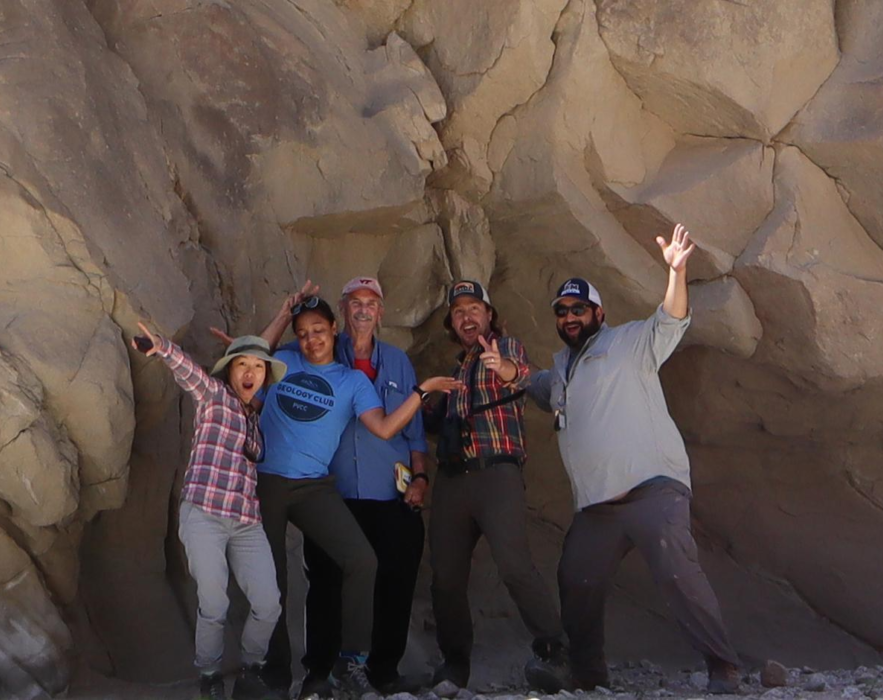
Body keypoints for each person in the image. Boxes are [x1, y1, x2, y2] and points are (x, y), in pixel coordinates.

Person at [526, 224, 743, 695]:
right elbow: (544, 390)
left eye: (578, 308)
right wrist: (514, 374)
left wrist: (677, 272)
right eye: (562, 311)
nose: (569, 316)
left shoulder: (628, 343)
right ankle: (588, 674)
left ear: (598, 313)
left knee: (676, 570)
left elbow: (670, 319)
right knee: (575, 577)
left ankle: (724, 667)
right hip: (597, 509)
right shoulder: (561, 367)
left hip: (652, 489)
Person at [213, 293, 461, 698]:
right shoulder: (283, 363)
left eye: (319, 331)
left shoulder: (352, 381)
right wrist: (280, 315)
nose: (311, 340)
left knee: (361, 560)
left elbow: (383, 428)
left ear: (334, 331)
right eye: (303, 333)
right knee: (270, 579)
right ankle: (273, 674)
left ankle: (352, 661)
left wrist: (422, 391)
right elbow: (253, 358)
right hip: (267, 481)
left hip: (315, 486)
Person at [424, 280, 568, 692]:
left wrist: (499, 366)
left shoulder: (508, 348)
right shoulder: (454, 373)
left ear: (489, 315)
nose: (467, 317)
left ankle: (554, 650)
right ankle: (455, 666)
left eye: (474, 308)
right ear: (452, 324)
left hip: (497, 473)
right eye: (458, 312)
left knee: (514, 565)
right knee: (446, 576)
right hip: (453, 479)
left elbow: (519, 376)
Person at [133, 323, 287, 700]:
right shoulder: (215, 396)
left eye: (258, 367)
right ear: (229, 370)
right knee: (215, 602)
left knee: (269, 604)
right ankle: (210, 676)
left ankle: (251, 671)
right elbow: (190, 373)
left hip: (246, 523)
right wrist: (161, 346)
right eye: (242, 365)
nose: (250, 373)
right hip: (204, 513)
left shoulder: (257, 421)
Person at [294, 277, 429, 697]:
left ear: (382, 312)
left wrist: (421, 477)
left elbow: (416, 433)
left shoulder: (398, 362)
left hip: (390, 495)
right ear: (342, 311)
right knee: (326, 583)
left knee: (395, 580)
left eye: (371, 303)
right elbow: (267, 360)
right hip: (332, 495)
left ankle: (383, 670)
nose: (364, 310)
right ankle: (320, 670)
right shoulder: (318, 355)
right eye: (355, 303)